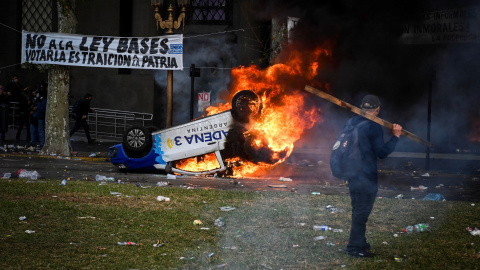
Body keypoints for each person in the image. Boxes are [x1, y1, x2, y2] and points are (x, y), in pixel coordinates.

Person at [344, 94, 402, 258]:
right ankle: (354, 247)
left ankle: (360, 242)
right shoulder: (373, 126)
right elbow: (382, 153)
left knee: (358, 209)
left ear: (362, 107)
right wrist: (396, 136)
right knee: (362, 211)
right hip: (366, 176)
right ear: (377, 109)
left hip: (352, 174)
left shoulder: (351, 122)